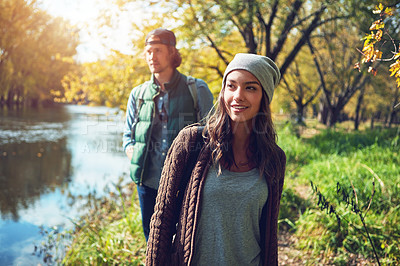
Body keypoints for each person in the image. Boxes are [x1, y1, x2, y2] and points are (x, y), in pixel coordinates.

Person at [146, 53, 286, 265]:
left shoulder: (274, 158)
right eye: (231, 86)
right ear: (223, 92)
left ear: (264, 96)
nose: (238, 95)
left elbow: (269, 233)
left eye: (250, 88)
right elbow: (162, 219)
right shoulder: (191, 142)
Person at [122, 28, 214, 242]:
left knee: (184, 242)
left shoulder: (196, 89)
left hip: (184, 183)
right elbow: (128, 136)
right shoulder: (137, 94)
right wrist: (134, 154)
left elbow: (212, 136)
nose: (152, 56)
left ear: (172, 53)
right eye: (148, 51)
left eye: (158, 50)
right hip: (147, 183)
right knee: (152, 241)